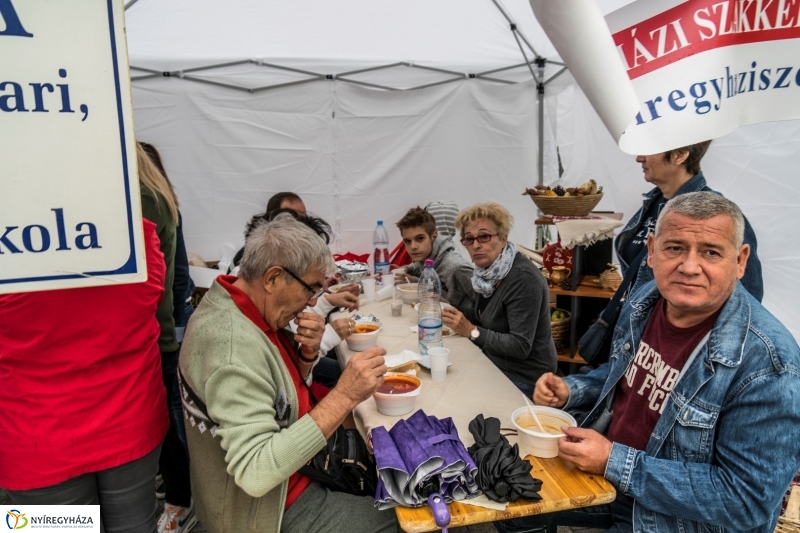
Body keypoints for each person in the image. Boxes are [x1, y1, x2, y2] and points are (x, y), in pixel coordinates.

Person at [500, 192, 800, 533]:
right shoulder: (647, 300)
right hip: (611, 480)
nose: (689, 267)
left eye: (711, 252)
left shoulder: (770, 366)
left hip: (673, 520)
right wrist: (572, 389)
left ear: (740, 261)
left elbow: (746, 501)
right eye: (675, 248)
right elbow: (630, 371)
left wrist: (613, 461)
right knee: (511, 507)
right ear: (653, 251)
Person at [179, 213, 398, 533]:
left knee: (386, 470)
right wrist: (344, 395)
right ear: (272, 278)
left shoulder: (242, 306)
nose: (312, 303)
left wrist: (304, 359)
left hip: (297, 472)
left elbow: (277, 398)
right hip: (269, 506)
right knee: (402, 519)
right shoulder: (232, 348)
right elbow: (256, 473)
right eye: (311, 289)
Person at [0, 219, 169, 533]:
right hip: (128, 415)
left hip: (35, 436)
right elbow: (152, 296)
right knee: (138, 525)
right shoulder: (129, 227)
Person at [616, 140, 763, 301]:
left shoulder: (718, 215)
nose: (639, 158)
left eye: (650, 150)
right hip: (641, 315)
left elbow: (749, 295)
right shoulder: (654, 203)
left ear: (680, 155)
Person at [137, 143, 196, 532]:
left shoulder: (146, 202)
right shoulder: (159, 200)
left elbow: (170, 278)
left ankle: (181, 495)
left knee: (168, 423)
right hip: (156, 334)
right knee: (169, 421)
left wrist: (173, 327)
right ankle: (181, 493)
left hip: (151, 337)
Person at [442, 202, 556, 397]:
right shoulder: (486, 274)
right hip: (496, 362)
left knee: (450, 389)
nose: (476, 245)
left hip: (526, 378)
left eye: (484, 236)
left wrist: (471, 331)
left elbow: (520, 346)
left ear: (503, 238)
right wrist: (447, 306)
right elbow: (485, 317)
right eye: (469, 239)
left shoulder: (523, 278)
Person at [394, 206, 475, 309]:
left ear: (434, 236)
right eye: (407, 241)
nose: (413, 246)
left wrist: (452, 307)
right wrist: (408, 268)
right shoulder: (425, 255)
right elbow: (420, 265)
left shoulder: (456, 267)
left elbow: (486, 309)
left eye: (420, 238)